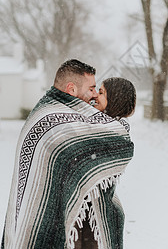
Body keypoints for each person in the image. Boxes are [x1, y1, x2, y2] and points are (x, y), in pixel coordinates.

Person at [1, 59, 134, 249]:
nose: (95, 94)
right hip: (55, 212)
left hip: (83, 218)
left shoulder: (78, 119)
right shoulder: (53, 120)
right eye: (92, 88)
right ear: (72, 89)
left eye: (99, 91)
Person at [75, 77, 136, 249]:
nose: (95, 96)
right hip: (79, 211)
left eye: (101, 93)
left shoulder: (117, 132)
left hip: (96, 214)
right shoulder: (92, 123)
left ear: (115, 99)